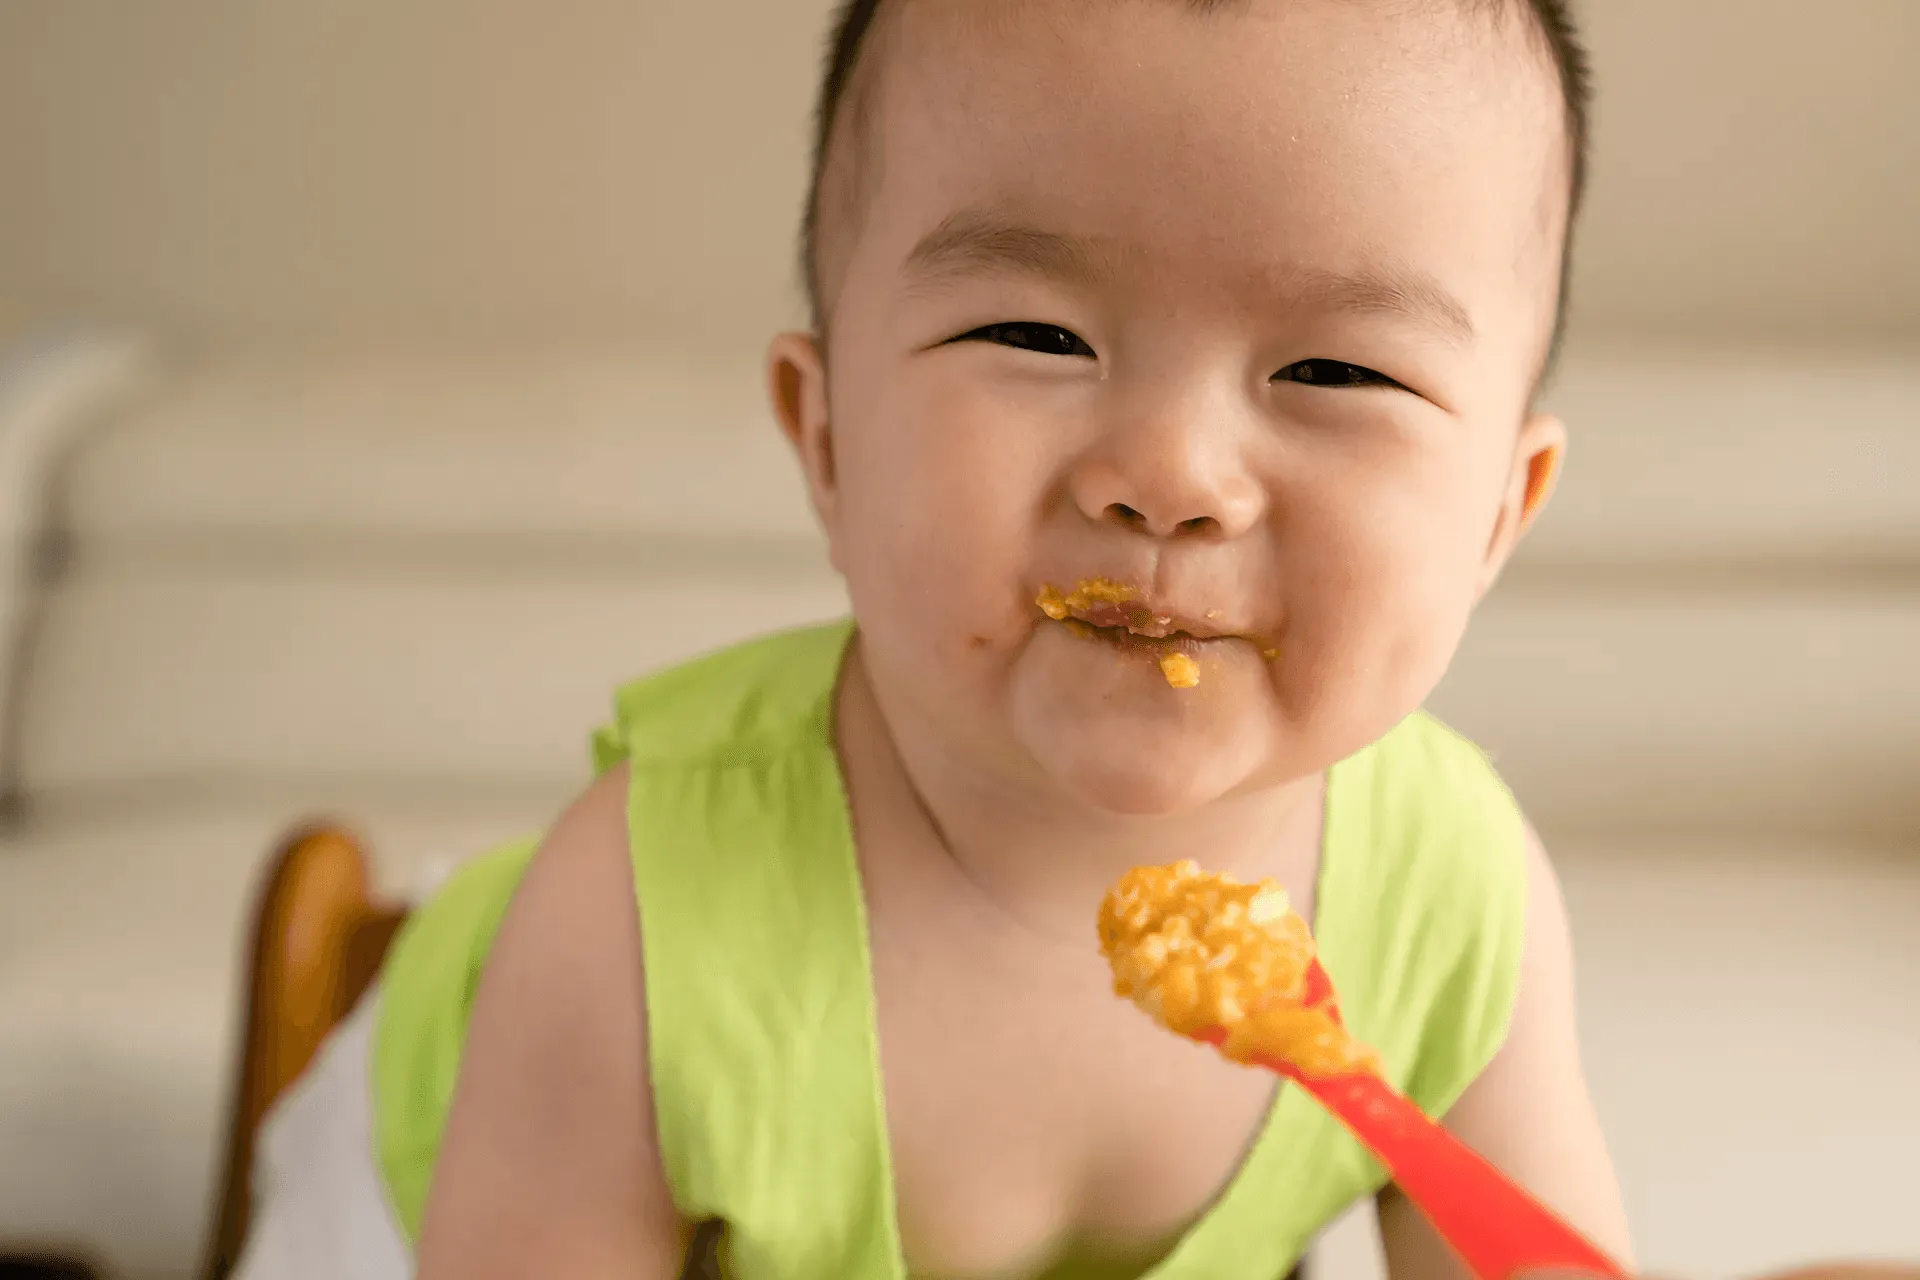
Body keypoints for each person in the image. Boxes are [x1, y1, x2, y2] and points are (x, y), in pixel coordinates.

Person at [245, 1, 1643, 1277]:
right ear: (829, 440)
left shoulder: (1458, 906)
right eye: (1035, 335)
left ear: (1497, 517)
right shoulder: (626, 927)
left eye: (1336, 369)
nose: (1169, 473)